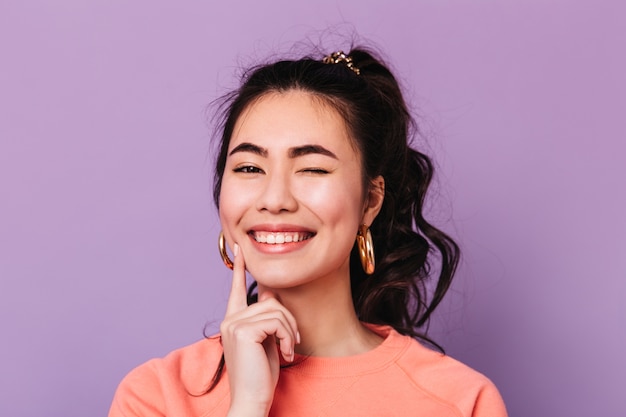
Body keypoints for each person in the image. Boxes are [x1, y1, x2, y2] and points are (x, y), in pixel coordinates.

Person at [108, 48, 507, 417]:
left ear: (370, 200)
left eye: (313, 168)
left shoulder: (459, 401)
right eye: (249, 168)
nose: (274, 198)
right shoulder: (157, 395)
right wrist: (247, 404)